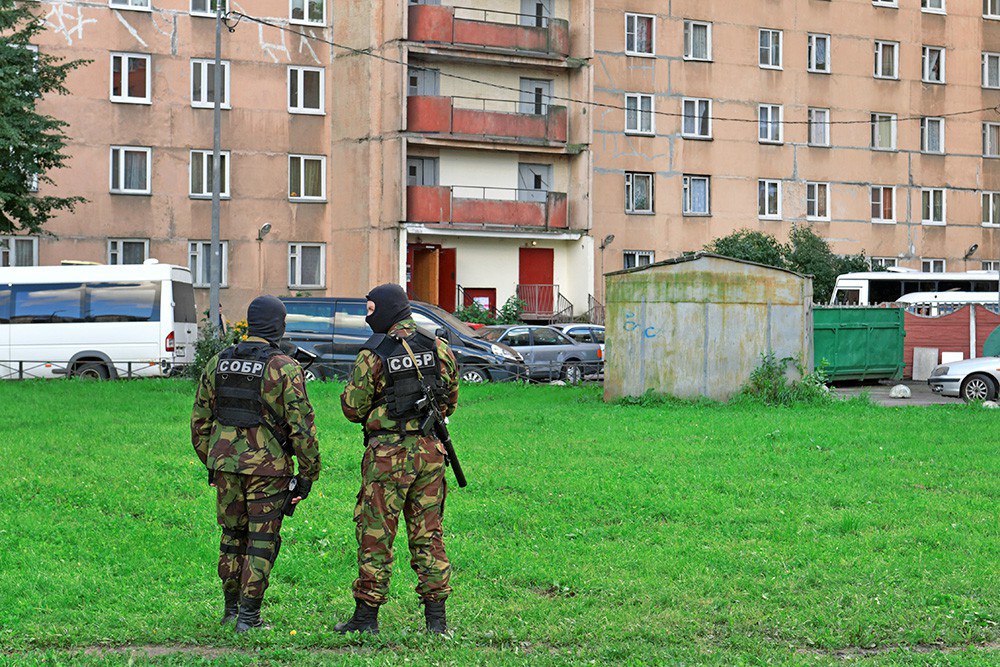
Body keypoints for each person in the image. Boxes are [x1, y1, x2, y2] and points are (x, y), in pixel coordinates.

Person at [191, 295, 321, 633]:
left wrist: (215, 461)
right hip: (268, 470)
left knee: (232, 536)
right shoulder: (284, 368)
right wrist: (307, 475)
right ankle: (249, 618)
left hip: (225, 468)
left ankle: (230, 610)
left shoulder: (218, 362)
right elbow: (302, 428)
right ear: (279, 324)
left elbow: (200, 422)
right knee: (261, 541)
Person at [337, 284, 459, 635]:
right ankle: (437, 623)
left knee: (375, 534)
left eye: (371, 309)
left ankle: (365, 620)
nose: (367, 316)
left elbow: (352, 407)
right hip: (430, 453)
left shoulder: (374, 354)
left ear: (387, 310)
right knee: (429, 534)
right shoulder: (438, 346)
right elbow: (449, 401)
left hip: (388, 457)